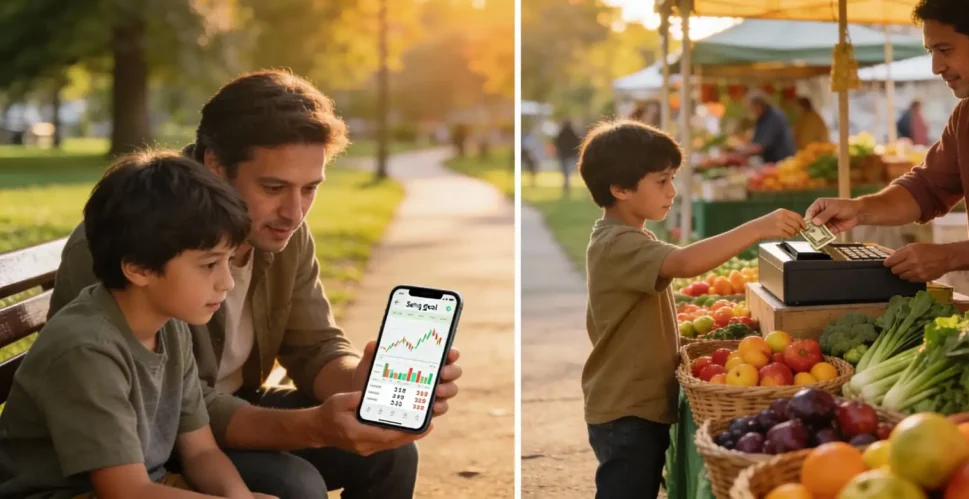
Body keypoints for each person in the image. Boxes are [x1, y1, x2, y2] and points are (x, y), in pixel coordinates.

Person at [47, 70, 463, 498]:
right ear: (215, 164)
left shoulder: (283, 232)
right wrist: (315, 427)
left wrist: (365, 383)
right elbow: (160, 408)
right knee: (295, 484)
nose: (295, 212)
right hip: (143, 438)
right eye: (274, 186)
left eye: (310, 189)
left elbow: (314, 346)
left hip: (214, 420)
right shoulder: (139, 238)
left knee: (390, 453)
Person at [0, 152, 274, 499]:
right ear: (139, 269)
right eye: (208, 265)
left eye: (228, 261)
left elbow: (202, 451)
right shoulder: (87, 349)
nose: (227, 282)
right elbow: (125, 491)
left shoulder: (170, 328)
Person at [576, 119, 805, 498]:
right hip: (626, 410)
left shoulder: (631, 235)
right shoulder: (615, 244)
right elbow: (685, 263)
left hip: (636, 404)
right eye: (661, 181)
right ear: (620, 189)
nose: (673, 190)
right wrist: (756, 228)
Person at [805, 0, 969, 306]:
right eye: (931, 51)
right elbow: (926, 187)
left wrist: (948, 257)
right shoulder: (967, 117)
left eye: (945, 50)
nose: (936, 66)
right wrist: (860, 210)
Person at [739, 91, 797, 163]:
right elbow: (757, 141)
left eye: (751, 108)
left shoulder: (773, 117)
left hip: (781, 160)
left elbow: (762, 145)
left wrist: (742, 152)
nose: (751, 111)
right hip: (772, 160)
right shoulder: (763, 117)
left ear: (759, 105)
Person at [555, 119, 582, 197]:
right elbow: (577, 144)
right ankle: (567, 184)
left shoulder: (561, 134)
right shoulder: (573, 133)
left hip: (564, 155)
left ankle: (566, 184)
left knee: (565, 172)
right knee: (568, 171)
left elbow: (557, 143)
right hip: (570, 155)